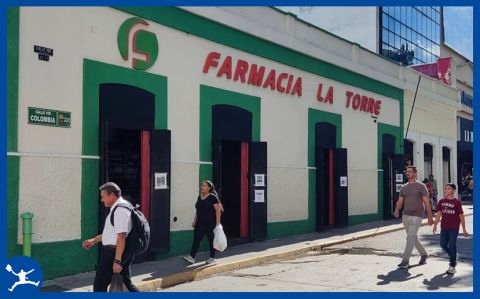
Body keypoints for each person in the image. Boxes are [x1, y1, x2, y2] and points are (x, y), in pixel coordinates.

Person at [82, 182, 139, 292]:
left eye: (103, 196)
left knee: (99, 284)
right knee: (127, 284)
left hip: (114, 253)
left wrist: (117, 261)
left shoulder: (120, 210)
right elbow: (112, 233)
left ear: (112, 195)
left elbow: (121, 237)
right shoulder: (119, 207)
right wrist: (94, 240)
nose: (102, 200)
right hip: (119, 252)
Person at [393, 166, 433, 269]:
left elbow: (426, 201)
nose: (407, 173)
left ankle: (405, 260)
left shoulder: (421, 186)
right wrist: (397, 210)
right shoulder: (404, 187)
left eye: (410, 172)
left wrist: (429, 216)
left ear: (415, 173)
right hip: (405, 215)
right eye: (407, 172)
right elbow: (400, 201)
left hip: (417, 215)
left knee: (410, 237)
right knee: (413, 237)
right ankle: (424, 254)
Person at [183, 180, 222, 265]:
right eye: (202, 185)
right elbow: (198, 210)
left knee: (211, 240)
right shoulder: (199, 197)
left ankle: (212, 257)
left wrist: (218, 223)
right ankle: (192, 257)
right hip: (199, 222)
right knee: (196, 239)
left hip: (210, 223)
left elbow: (218, 211)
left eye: (204, 186)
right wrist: (194, 220)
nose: (202, 187)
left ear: (209, 188)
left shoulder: (213, 197)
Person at [433, 183, 469, 274]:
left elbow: (461, 216)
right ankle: (453, 256)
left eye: (448, 189)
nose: (446, 190)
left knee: (452, 245)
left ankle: (452, 265)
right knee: (443, 244)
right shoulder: (441, 201)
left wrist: (464, 229)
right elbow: (438, 214)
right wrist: (435, 225)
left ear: (453, 190)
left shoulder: (457, 202)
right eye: (446, 188)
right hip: (444, 227)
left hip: (454, 227)